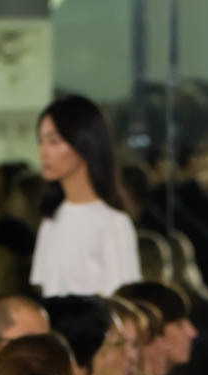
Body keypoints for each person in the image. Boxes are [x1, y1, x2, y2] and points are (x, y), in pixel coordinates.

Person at [30, 94, 141, 297]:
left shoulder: (113, 223)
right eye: (41, 141)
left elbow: (123, 303)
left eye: (54, 141)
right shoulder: (51, 220)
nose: (43, 152)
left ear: (84, 143)